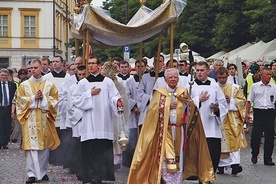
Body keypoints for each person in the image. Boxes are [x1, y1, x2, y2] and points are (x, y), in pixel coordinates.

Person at [128, 68, 215, 184]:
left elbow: (189, 109)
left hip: (179, 129)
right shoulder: (159, 92)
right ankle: (166, 180)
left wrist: (190, 105)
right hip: (164, 130)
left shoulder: (183, 92)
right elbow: (152, 112)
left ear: (178, 79)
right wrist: (168, 106)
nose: (173, 79)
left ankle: (177, 181)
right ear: (165, 79)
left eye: (175, 77)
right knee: (165, 157)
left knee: (179, 156)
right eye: (170, 77)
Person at [72, 57, 124, 183]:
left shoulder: (107, 82)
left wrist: (117, 101)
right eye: (89, 64)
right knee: (90, 151)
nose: (90, 66)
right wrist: (89, 93)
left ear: (99, 65)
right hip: (88, 122)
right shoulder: (83, 83)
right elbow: (75, 100)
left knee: (102, 150)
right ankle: (91, 176)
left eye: (93, 63)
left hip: (104, 121)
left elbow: (114, 96)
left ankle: (101, 175)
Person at [16, 59, 60, 183]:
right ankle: (32, 174)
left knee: (44, 148)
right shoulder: (24, 85)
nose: (33, 70)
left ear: (41, 68)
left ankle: (43, 171)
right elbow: (20, 101)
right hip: (30, 120)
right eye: (31, 68)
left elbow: (55, 100)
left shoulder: (49, 84)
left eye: (36, 68)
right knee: (31, 148)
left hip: (44, 120)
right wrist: (34, 98)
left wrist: (44, 99)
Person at [188, 61, 228, 174]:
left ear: (207, 71)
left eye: (202, 70)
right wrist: (198, 100)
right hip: (197, 126)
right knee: (198, 155)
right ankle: (201, 176)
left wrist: (217, 109)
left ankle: (210, 176)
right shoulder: (190, 85)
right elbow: (186, 104)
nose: (199, 73)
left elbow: (223, 103)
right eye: (197, 70)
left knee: (213, 155)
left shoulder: (214, 85)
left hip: (212, 128)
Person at [216, 67, 247, 175]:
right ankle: (220, 165)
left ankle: (235, 164)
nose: (222, 80)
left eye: (224, 77)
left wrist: (231, 101)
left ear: (227, 76)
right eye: (219, 78)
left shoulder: (235, 88)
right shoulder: (214, 87)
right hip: (219, 118)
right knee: (220, 141)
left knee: (234, 139)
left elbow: (242, 101)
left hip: (232, 118)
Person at [245, 67, 276, 166]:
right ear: (261, 75)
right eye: (267, 74)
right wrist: (246, 113)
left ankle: (268, 158)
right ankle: (254, 153)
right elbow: (249, 101)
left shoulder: (274, 87)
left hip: (269, 112)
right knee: (256, 135)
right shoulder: (255, 86)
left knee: (270, 136)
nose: (269, 76)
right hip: (258, 111)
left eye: (270, 74)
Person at [44, 56, 70, 166]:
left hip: (64, 110)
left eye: (57, 62)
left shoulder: (68, 77)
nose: (55, 64)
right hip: (51, 109)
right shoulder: (46, 77)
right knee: (52, 135)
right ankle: (53, 158)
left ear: (62, 63)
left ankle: (63, 158)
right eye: (53, 62)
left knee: (63, 135)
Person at [122, 59, 146, 167]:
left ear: (145, 67)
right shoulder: (129, 82)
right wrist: (135, 107)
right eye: (138, 66)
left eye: (142, 66)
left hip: (145, 112)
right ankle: (130, 162)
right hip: (133, 113)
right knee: (132, 139)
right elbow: (126, 96)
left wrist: (142, 107)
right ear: (135, 67)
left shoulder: (148, 80)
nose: (140, 69)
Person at [137, 54, 165, 130]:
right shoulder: (146, 77)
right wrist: (151, 98)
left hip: (162, 108)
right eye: (155, 61)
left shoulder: (166, 78)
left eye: (160, 61)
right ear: (153, 63)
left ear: (163, 63)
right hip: (148, 108)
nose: (157, 63)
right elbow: (139, 93)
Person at [0, 68, 16, 150]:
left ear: (8, 76)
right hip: (0, 108)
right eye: (2, 75)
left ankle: (5, 143)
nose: (4, 77)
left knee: (7, 126)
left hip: (8, 108)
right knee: (0, 126)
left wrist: (13, 111)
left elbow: (14, 97)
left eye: (5, 75)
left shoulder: (12, 85)